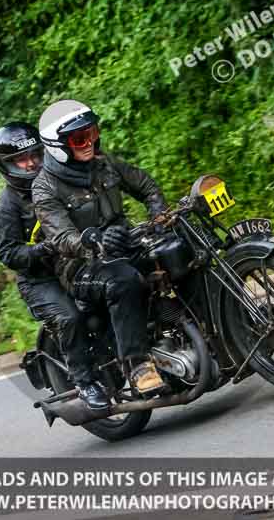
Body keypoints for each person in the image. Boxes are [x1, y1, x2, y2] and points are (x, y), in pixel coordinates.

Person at [32, 99, 167, 399]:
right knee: (123, 280)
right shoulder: (45, 188)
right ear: (58, 145)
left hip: (123, 242)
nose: (89, 143)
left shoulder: (104, 163)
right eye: (79, 139)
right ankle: (138, 366)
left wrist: (158, 219)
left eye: (92, 133)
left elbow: (146, 186)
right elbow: (63, 238)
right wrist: (93, 242)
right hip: (80, 268)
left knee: (173, 251)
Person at [0, 122, 108, 411]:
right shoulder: (7, 207)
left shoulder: (59, 182)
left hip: (78, 264)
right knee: (69, 318)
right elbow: (9, 253)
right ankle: (85, 382)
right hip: (41, 280)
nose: (30, 163)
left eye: (35, 155)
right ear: (7, 165)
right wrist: (44, 249)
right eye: (21, 159)